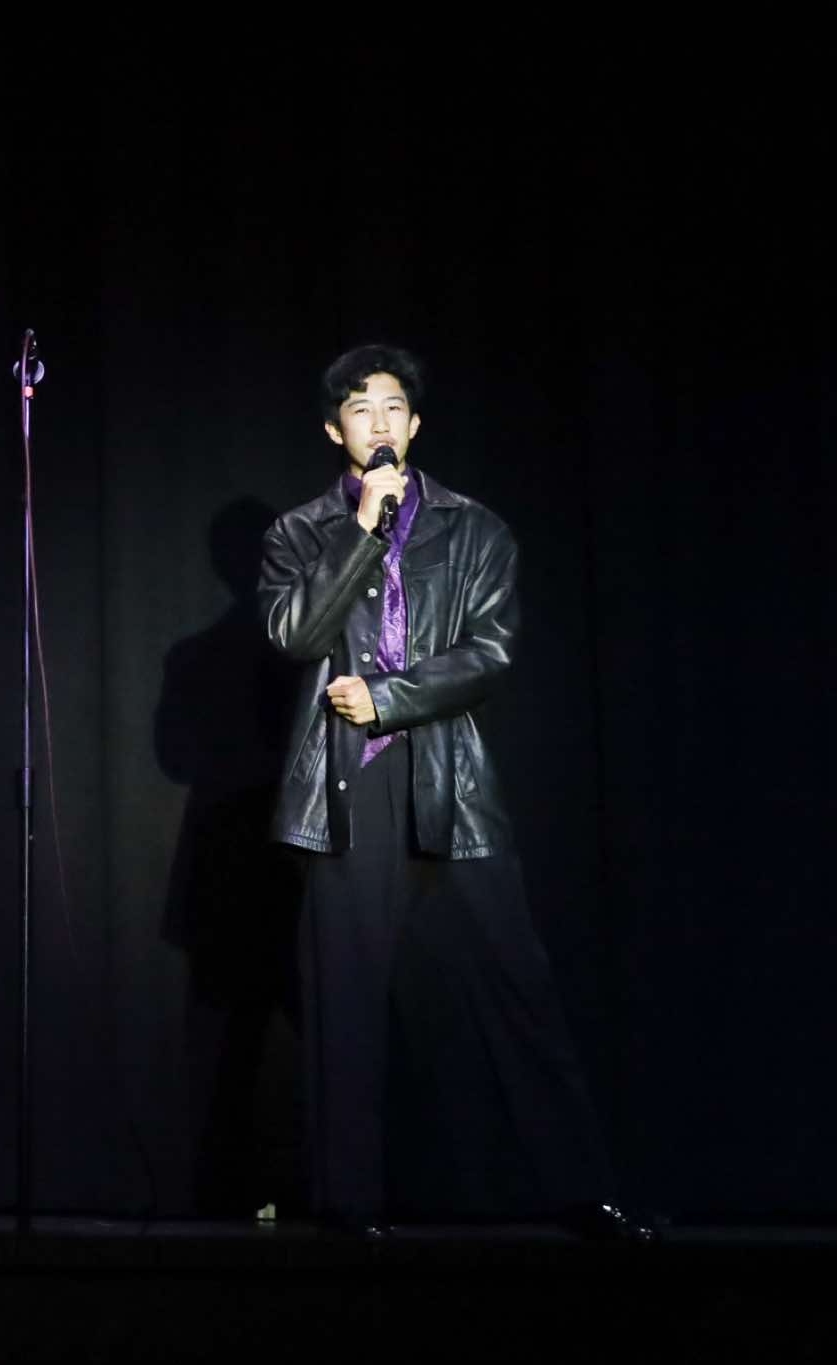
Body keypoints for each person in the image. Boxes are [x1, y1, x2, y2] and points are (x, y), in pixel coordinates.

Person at [256, 344, 634, 1236]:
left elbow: (490, 651)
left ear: (415, 423)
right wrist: (361, 531)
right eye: (360, 410)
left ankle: (585, 1191)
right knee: (344, 1001)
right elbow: (294, 635)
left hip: (447, 778)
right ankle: (348, 1206)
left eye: (393, 408)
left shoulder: (476, 529)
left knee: (516, 987)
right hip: (345, 786)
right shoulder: (300, 532)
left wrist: (387, 698)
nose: (379, 423)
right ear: (335, 430)